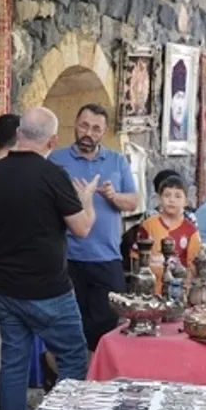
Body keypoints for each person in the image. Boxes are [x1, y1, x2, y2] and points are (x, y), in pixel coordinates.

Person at [0, 107, 98, 410]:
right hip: (49, 290)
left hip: (4, 287)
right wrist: (87, 199)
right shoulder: (54, 176)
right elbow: (82, 228)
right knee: (73, 357)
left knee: (14, 361)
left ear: (19, 134)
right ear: (52, 141)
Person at [49, 104, 139, 352]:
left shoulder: (117, 160)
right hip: (68, 257)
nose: (89, 133)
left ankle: (97, 370)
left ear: (104, 132)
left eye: (96, 129)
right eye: (84, 126)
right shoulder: (56, 160)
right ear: (75, 125)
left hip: (106, 256)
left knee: (106, 323)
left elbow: (133, 201)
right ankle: (68, 371)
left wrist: (113, 196)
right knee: (68, 325)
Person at [133, 174, 202, 295]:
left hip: (178, 291)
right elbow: (135, 257)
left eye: (178, 196)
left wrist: (187, 288)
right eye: (167, 195)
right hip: (150, 291)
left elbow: (193, 265)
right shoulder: (148, 225)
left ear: (186, 202)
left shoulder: (190, 230)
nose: (172, 200)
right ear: (159, 199)